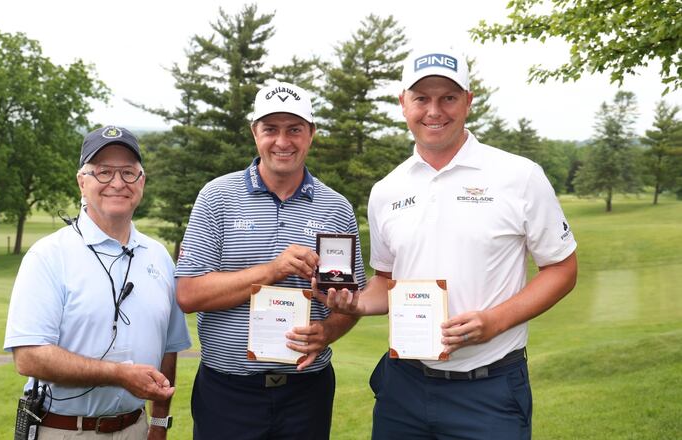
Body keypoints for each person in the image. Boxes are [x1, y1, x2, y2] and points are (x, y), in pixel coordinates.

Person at [317, 46, 578, 439]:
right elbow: (386, 284)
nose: (434, 111)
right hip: (403, 387)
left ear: (468, 103)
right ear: (403, 103)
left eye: (448, 98)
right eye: (421, 98)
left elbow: (562, 269)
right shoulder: (387, 190)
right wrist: (353, 303)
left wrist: (494, 321)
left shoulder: (519, 175)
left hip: (488, 389)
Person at [175, 81, 366, 439]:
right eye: (271, 129)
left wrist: (327, 330)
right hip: (228, 390)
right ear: (254, 133)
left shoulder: (336, 207)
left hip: (306, 392)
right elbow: (188, 294)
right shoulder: (217, 196)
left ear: (311, 134)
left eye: (294, 129)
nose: (282, 141)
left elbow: (349, 302)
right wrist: (272, 270)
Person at [4, 125, 192, 440]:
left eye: (129, 173)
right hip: (63, 430)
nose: (117, 183)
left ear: (142, 181)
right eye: (103, 172)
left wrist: (159, 422)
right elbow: (29, 356)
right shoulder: (49, 255)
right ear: (82, 182)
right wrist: (119, 375)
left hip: (136, 427)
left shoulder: (159, 257)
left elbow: (168, 351)